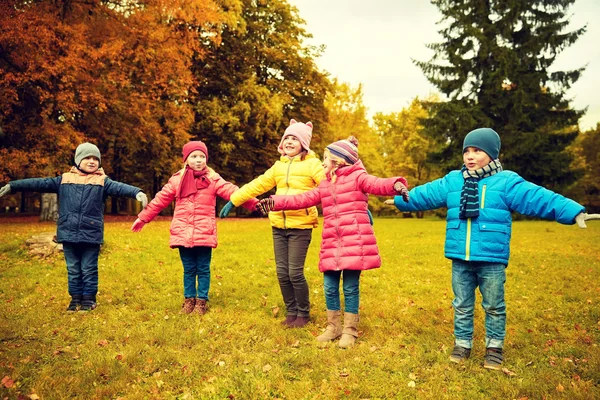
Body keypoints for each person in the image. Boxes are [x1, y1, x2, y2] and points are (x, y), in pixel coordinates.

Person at [387, 127, 600, 369]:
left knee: (494, 306)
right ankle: (463, 343)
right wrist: (398, 201)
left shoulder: (506, 182)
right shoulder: (454, 180)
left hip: (492, 258)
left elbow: (539, 197)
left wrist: (573, 211)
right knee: (462, 304)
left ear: (491, 154)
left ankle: (494, 347)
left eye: (477, 150)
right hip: (460, 257)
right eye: (467, 151)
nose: (470, 156)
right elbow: (425, 194)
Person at [256, 136, 409, 347]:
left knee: (350, 287)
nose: (322, 162)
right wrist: (275, 202)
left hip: (355, 242)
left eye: (326, 158)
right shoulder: (325, 184)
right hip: (332, 242)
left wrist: (397, 185)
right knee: (329, 287)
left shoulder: (358, 178)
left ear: (338, 161)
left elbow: (377, 184)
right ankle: (333, 326)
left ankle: (350, 330)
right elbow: (302, 198)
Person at [0, 143, 148, 312]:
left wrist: (137, 192)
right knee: (73, 269)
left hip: (91, 233)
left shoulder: (102, 181)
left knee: (88, 268)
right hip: (68, 233)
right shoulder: (63, 179)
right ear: (78, 160)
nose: (92, 161)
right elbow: (38, 183)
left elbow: (120, 188)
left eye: (95, 159)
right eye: (87, 158)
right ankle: (75, 298)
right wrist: (14, 186)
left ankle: (89, 299)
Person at [131, 140, 257, 316]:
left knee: (203, 268)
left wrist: (255, 204)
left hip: (204, 232)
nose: (198, 160)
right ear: (186, 159)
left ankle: (201, 301)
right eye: (194, 156)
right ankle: (189, 299)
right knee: (189, 268)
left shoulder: (213, 179)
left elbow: (233, 191)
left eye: (202, 156)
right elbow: (160, 200)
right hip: (183, 232)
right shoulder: (177, 180)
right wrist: (143, 218)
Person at [219, 119, 325, 328]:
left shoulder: (313, 165)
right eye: (287, 138)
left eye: (295, 138)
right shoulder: (278, 167)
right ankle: (291, 312)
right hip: (278, 225)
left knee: (295, 272)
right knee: (282, 273)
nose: (289, 141)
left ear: (304, 143)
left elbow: (330, 187)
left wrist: (354, 204)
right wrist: (235, 199)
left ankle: (303, 314)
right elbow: (257, 184)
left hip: (300, 226)